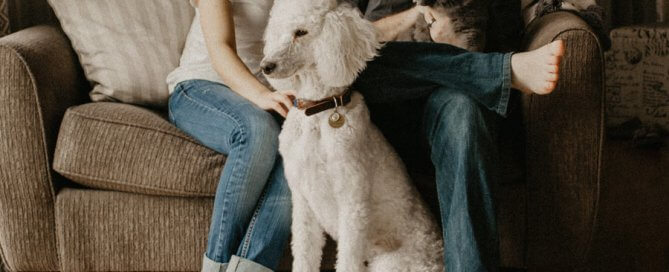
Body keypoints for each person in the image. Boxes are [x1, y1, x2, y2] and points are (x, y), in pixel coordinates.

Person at [165, 0, 565, 271]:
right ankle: (499, 72)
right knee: (355, 54)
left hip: (445, 94)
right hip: (378, 92)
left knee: (463, 113)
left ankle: (489, 73)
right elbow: (345, 43)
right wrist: (411, 16)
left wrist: (451, 38)